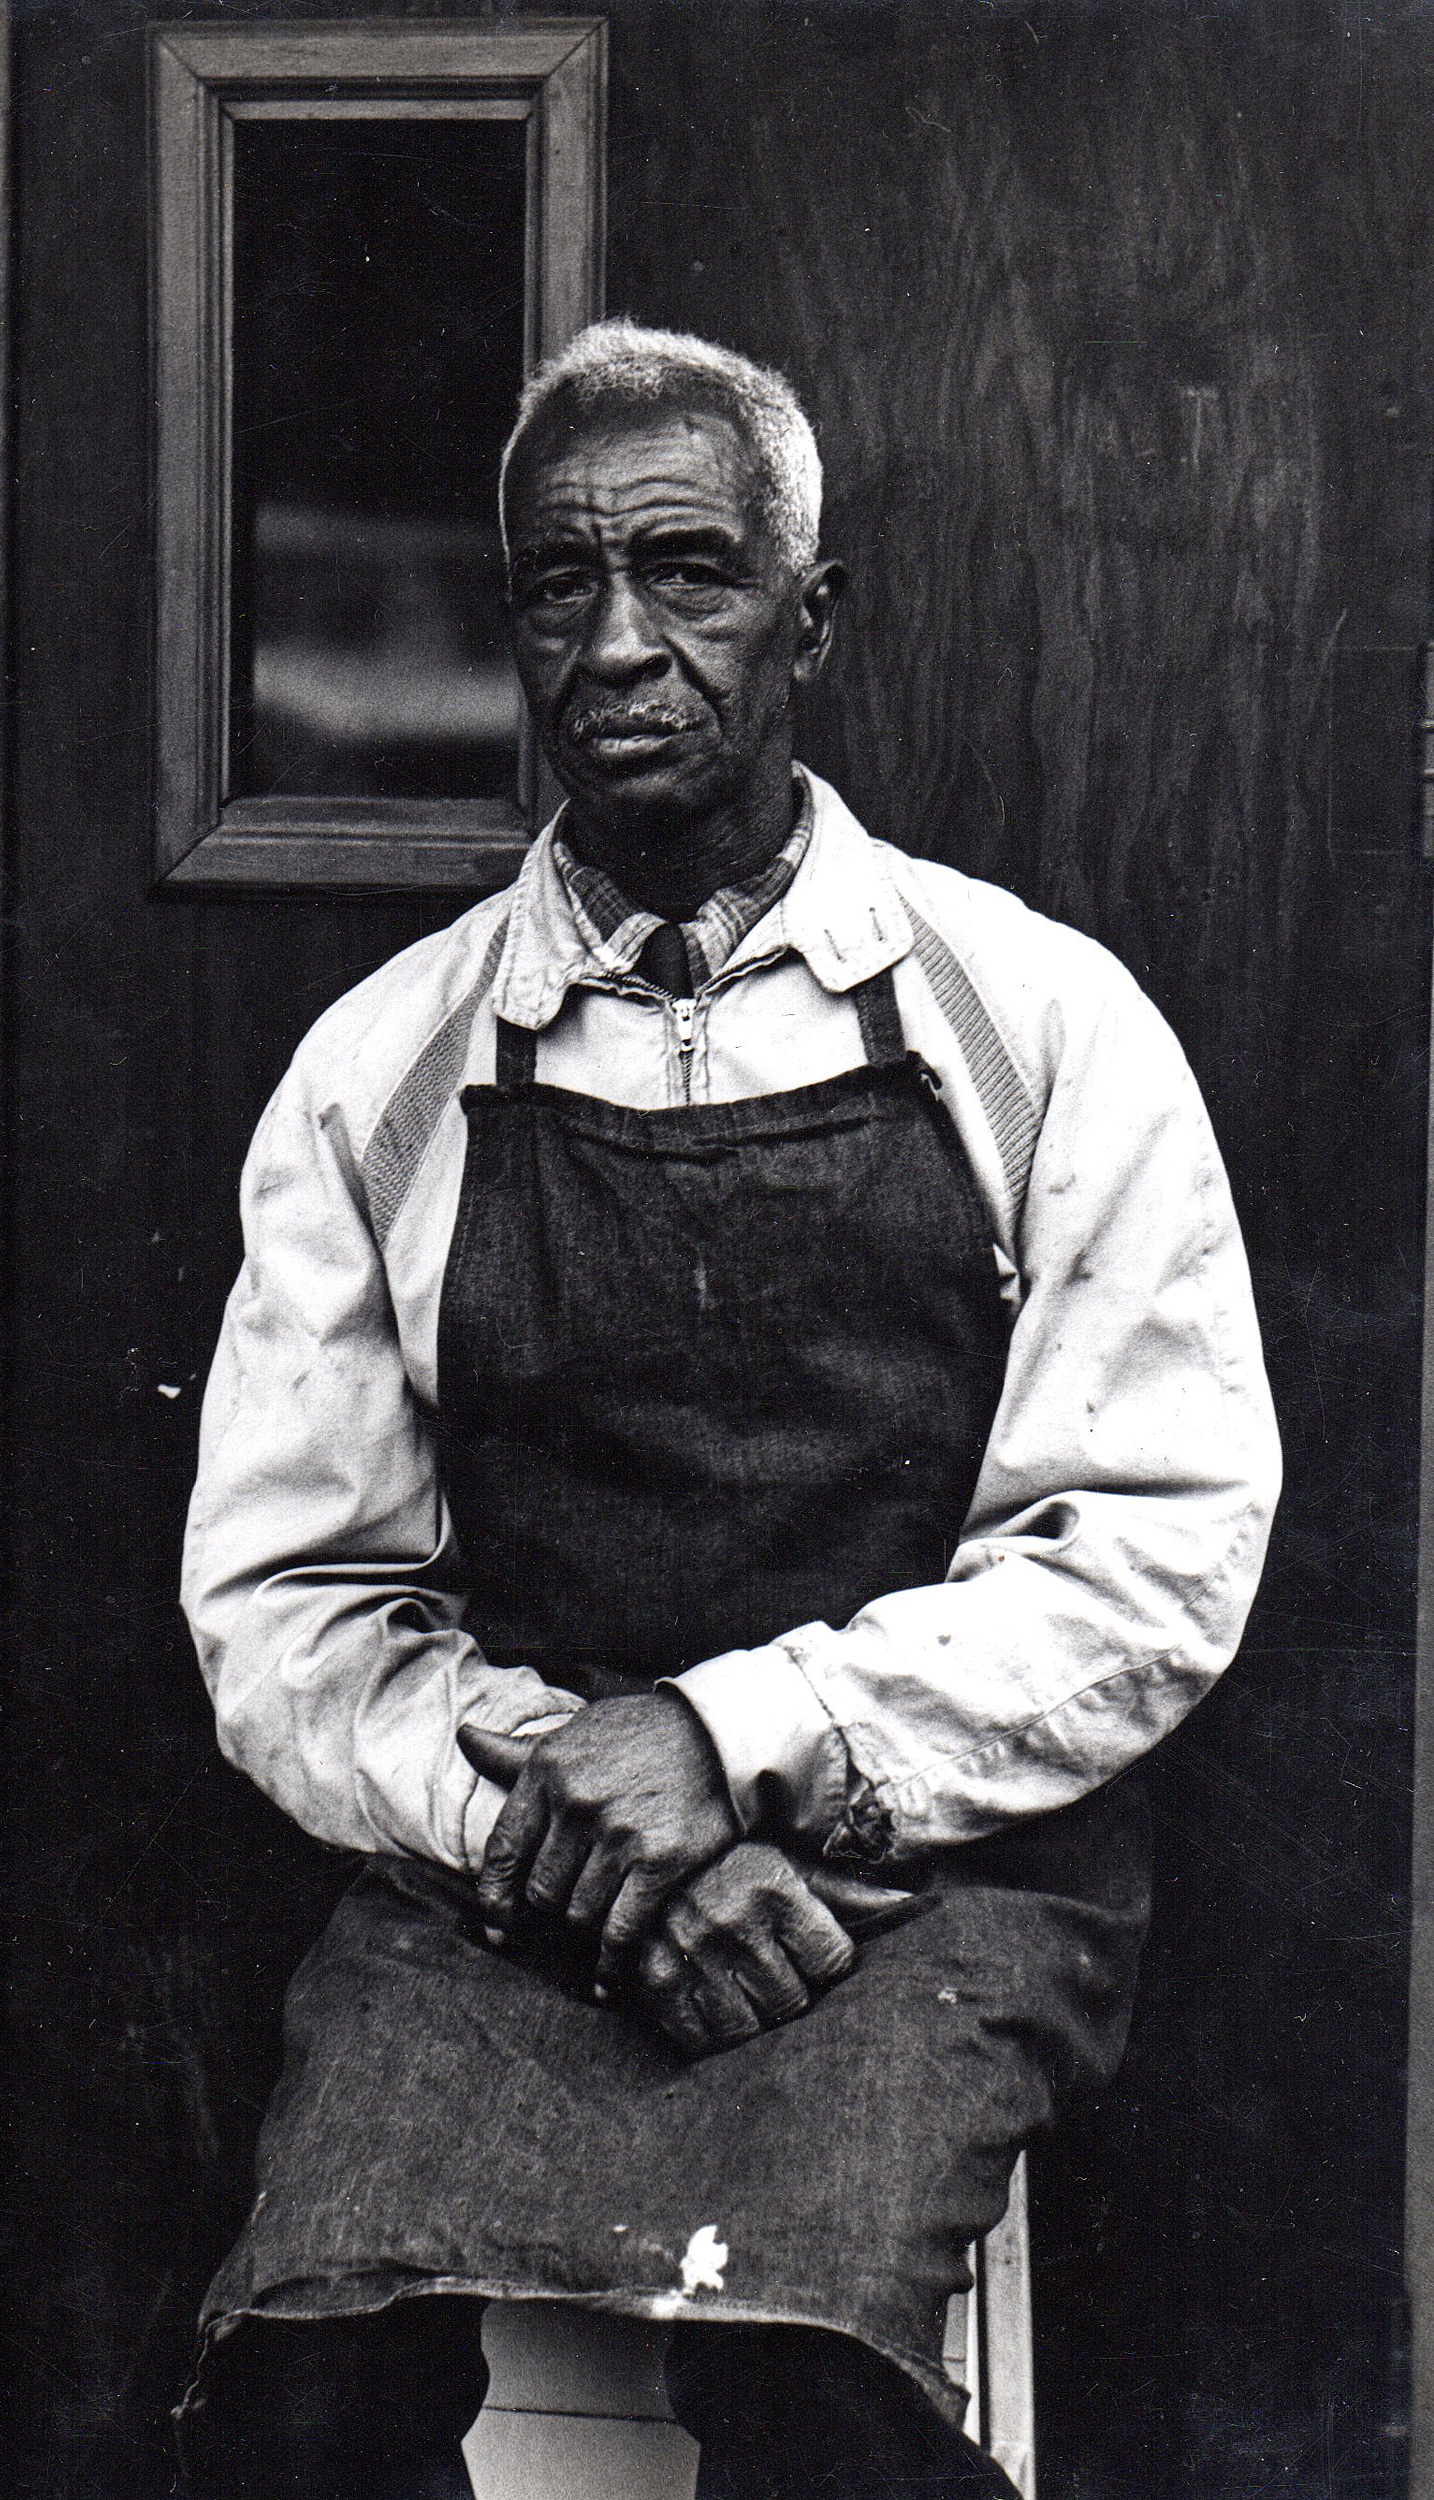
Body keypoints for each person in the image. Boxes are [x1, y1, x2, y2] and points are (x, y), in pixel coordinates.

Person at [176, 319, 1280, 2499]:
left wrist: (740, 1738)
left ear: (807, 617)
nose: (617, 648)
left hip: (930, 1865)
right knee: (292, 2394)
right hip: (514, 1863)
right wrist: (567, 1828)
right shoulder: (384, 1072)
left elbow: (1150, 1545)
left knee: (811, 2393)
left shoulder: (1042, 1025)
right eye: (558, 589)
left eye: (685, 575)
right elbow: (292, 1606)